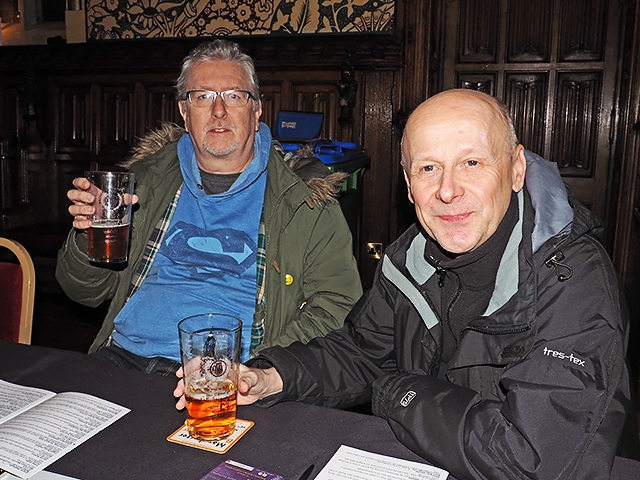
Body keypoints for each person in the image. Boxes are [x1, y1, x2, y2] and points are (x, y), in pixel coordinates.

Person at [176, 89, 631, 478]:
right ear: (409, 186)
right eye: (428, 169)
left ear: (516, 169)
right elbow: (361, 352)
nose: (448, 191)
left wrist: (398, 392)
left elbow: (531, 458)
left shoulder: (574, 278)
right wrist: (268, 377)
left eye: (471, 162)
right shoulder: (410, 257)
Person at [55, 39, 362, 374]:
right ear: (184, 112)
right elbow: (84, 292)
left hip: (228, 374)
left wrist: (265, 369)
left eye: (233, 96)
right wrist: (87, 234)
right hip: (124, 359)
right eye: (203, 97)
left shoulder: (304, 197)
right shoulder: (144, 180)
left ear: (256, 109)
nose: (219, 111)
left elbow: (338, 305)